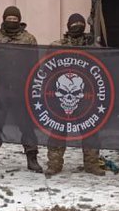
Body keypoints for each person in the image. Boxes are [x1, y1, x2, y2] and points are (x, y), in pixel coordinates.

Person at [0, 5, 43, 173]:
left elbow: (35, 64)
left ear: (20, 20)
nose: (12, 22)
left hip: (21, 90)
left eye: (15, 20)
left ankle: (32, 158)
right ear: (3, 20)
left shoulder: (28, 39)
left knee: (26, 125)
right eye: (8, 19)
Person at [44, 13, 106, 177]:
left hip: (86, 97)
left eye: (80, 23)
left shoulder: (92, 45)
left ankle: (92, 164)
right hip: (60, 98)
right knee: (58, 130)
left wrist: (93, 45)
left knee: (90, 131)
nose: (77, 26)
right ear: (68, 26)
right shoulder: (58, 45)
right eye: (74, 23)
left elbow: (103, 65)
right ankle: (54, 164)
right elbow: (47, 66)